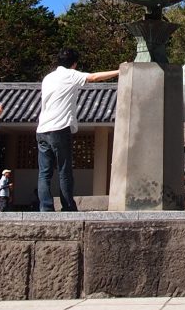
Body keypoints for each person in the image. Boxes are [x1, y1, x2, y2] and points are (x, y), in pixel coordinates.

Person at [36, 48, 121, 212]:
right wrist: (120, 70)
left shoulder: (48, 78)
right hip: (59, 128)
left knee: (44, 173)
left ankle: (45, 208)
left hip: (42, 128)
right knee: (64, 170)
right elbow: (94, 77)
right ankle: (67, 206)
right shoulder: (71, 75)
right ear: (74, 64)